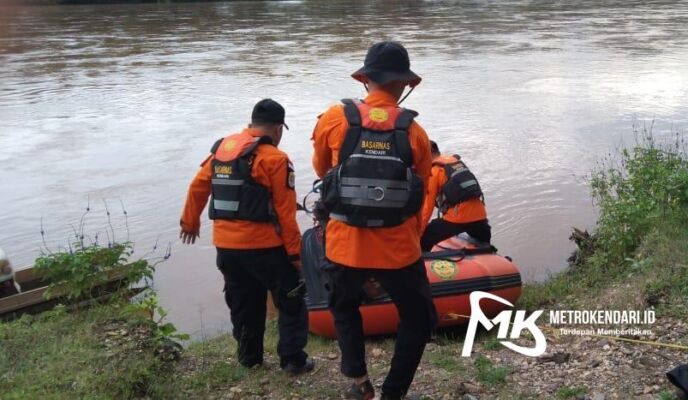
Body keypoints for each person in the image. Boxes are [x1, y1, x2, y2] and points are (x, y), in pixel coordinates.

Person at [312, 41, 437, 400]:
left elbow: (323, 172)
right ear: (404, 84)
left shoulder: (334, 119)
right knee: (418, 318)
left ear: (366, 79)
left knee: (344, 307)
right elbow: (421, 192)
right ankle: (393, 393)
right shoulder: (414, 132)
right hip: (397, 249)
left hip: (343, 245)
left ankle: (358, 382)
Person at [179, 99, 313, 375]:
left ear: (251, 124)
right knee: (290, 298)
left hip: (226, 247)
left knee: (243, 302)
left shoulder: (223, 150)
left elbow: (198, 187)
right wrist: (295, 255)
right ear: (277, 129)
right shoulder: (275, 159)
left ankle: (249, 358)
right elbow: (286, 214)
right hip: (266, 248)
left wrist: (190, 222)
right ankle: (292, 360)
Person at [420, 140, 491, 251]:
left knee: (423, 239)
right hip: (481, 218)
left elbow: (427, 208)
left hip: (458, 219)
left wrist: (418, 232)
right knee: (485, 245)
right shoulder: (456, 163)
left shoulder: (434, 171)